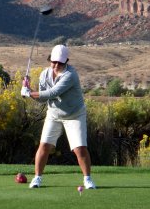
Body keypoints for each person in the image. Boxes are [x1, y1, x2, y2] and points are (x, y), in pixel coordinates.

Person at [21, 44, 96, 189]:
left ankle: (87, 179)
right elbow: (43, 98)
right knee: (44, 145)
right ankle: (37, 178)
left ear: (66, 61)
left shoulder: (71, 75)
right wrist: (29, 90)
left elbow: (52, 93)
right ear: (50, 60)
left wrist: (28, 93)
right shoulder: (44, 74)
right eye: (54, 62)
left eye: (60, 63)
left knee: (79, 148)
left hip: (74, 115)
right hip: (54, 114)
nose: (56, 65)